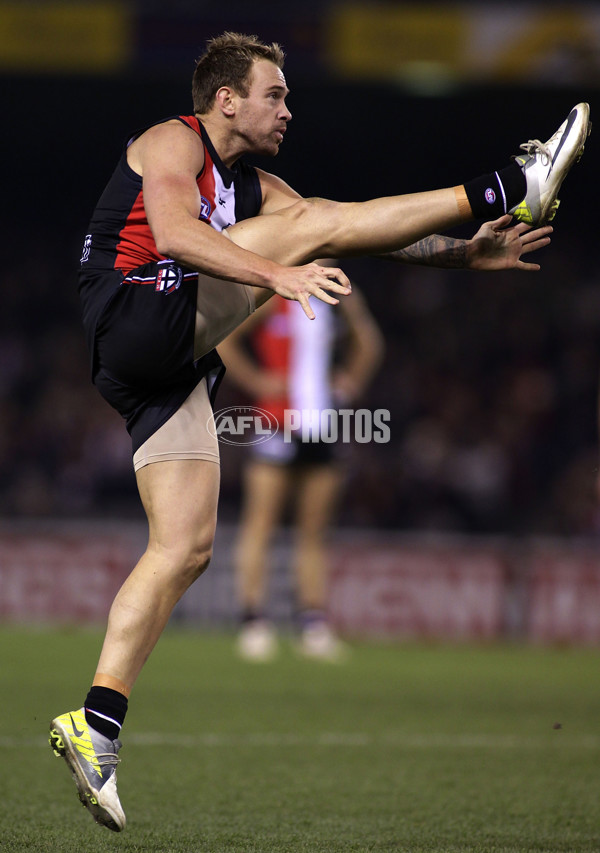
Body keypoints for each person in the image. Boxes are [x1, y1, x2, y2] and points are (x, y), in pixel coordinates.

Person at [47, 30, 590, 832]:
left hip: (159, 365)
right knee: (305, 230)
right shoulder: (172, 139)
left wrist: (463, 256)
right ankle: (514, 179)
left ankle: (94, 724)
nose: (288, 109)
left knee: (186, 546)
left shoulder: (254, 184)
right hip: (135, 313)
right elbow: (170, 232)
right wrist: (275, 273)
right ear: (226, 98)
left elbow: (351, 225)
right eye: (276, 94)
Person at [219, 271, 384, 662]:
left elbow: (370, 345)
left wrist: (350, 382)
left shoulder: (334, 300)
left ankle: (312, 622)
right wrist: (257, 381)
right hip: (276, 421)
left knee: (313, 532)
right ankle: (253, 621)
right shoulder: (273, 296)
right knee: (261, 524)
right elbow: (225, 341)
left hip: (322, 424)